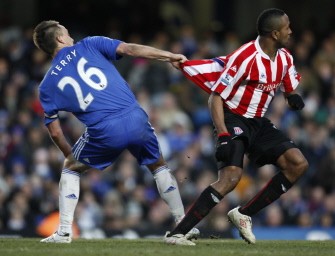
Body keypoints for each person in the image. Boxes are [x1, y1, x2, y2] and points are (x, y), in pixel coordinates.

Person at [32, 20, 200, 243]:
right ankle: (182, 224)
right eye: (66, 32)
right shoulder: (90, 44)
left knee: (71, 168)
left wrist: (69, 156)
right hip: (135, 116)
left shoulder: (46, 85)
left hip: (104, 129)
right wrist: (169, 55)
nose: (70, 35)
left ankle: (63, 232)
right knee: (158, 165)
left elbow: (54, 132)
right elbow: (131, 49)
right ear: (60, 38)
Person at [164, 8, 308, 246]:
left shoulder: (285, 58)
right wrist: (222, 134)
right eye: (287, 28)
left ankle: (243, 214)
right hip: (233, 117)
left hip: (259, 122)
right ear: (274, 33)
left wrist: (292, 97)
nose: (291, 31)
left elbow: (288, 86)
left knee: (297, 163)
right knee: (231, 177)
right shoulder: (245, 58)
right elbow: (216, 97)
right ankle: (178, 233)